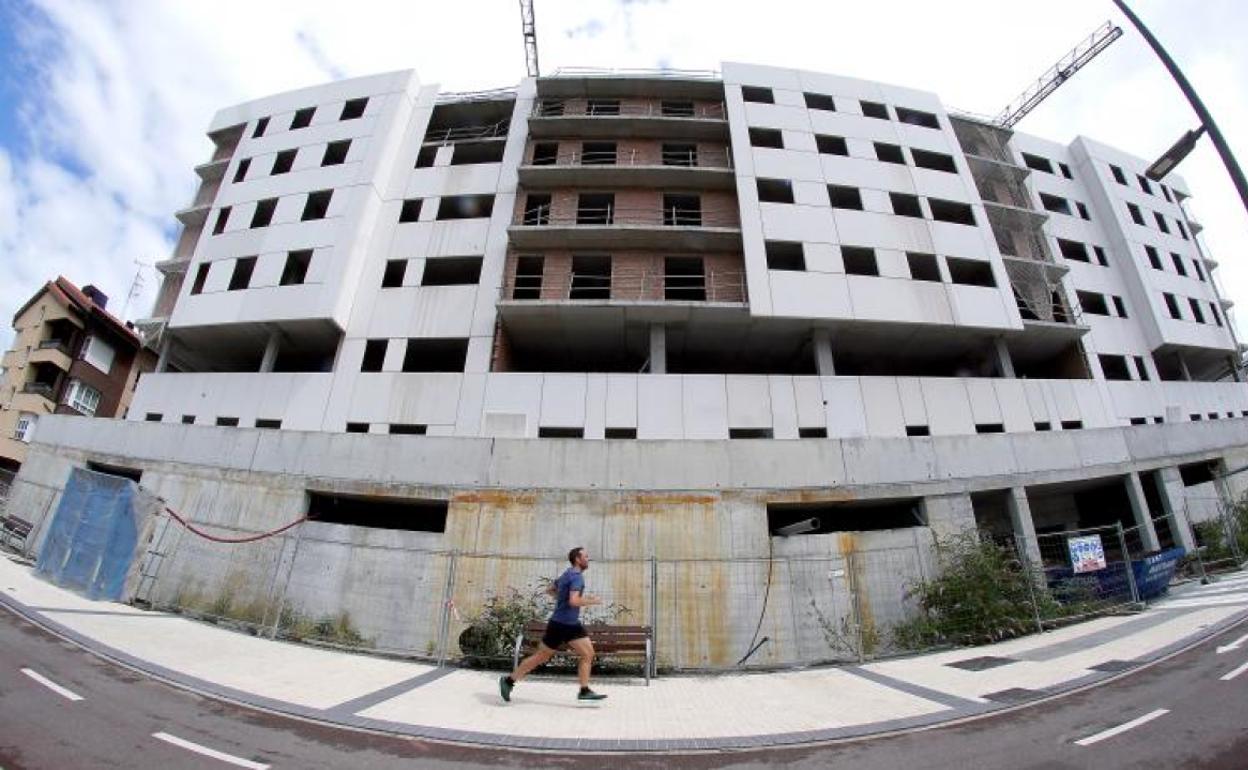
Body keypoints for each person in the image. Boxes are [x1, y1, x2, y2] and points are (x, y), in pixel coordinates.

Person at [499, 546, 607, 702]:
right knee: (543, 657)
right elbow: (574, 600)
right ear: (577, 559)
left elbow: (549, 590)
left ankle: (584, 690)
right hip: (563, 625)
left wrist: (562, 599)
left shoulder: (566, 574)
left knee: (585, 654)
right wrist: (592, 601)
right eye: (586, 556)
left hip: (567, 624)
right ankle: (508, 681)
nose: (588, 559)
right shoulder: (576, 576)